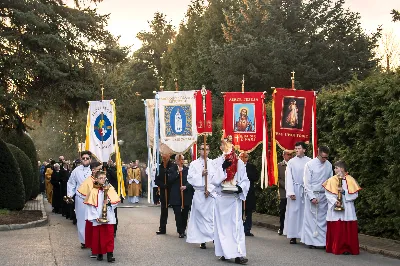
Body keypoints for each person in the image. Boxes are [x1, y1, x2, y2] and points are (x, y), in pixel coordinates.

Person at [212, 137, 250, 264]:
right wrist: (222, 168)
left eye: (229, 144)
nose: (227, 146)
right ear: (221, 147)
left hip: (233, 200)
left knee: (237, 227)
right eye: (224, 144)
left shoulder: (239, 162)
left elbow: (245, 179)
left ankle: (239, 254)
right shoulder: (216, 162)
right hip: (222, 199)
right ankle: (224, 252)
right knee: (222, 228)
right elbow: (213, 180)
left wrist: (240, 188)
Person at [323, 161, 361, 255]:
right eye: (334, 168)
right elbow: (328, 194)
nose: (335, 170)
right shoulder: (331, 180)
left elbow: (355, 195)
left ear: (342, 169)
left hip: (348, 207)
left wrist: (344, 192)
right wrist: (335, 201)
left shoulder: (351, 180)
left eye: (336, 168)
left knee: (347, 227)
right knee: (337, 226)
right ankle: (335, 247)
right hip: (335, 206)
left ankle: (348, 247)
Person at [85, 170, 120, 262]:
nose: (103, 180)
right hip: (98, 216)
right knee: (99, 236)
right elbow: (91, 205)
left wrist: (109, 203)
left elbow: (115, 200)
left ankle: (110, 254)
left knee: (109, 235)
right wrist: (95, 216)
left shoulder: (110, 188)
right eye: (101, 178)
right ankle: (99, 253)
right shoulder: (93, 190)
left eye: (104, 178)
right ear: (96, 179)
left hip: (109, 216)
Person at [301, 145, 333, 248]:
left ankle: (323, 242)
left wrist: (330, 195)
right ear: (318, 154)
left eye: (326, 157)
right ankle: (311, 242)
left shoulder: (329, 165)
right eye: (323, 157)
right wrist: (311, 197)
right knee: (311, 220)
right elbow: (307, 183)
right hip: (312, 193)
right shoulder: (309, 165)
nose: (325, 159)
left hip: (323, 195)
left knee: (322, 219)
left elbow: (330, 181)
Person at [186, 144, 216, 249]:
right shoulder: (194, 164)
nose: (205, 151)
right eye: (203, 149)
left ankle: (213, 238)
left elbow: (216, 178)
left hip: (210, 194)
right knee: (200, 218)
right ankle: (202, 240)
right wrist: (201, 175)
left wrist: (209, 189)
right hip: (199, 194)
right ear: (199, 151)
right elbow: (190, 178)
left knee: (211, 218)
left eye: (207, 149)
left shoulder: (213, 163)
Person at [284, 142, 311, 244]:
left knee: (305, 213)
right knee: (294, 212)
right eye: (295, 148)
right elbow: (289, 178)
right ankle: (293, 235)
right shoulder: (291, 162)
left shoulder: (309, 161)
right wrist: (290, 191)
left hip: (305, 189)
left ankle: (305, 235)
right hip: (295, 189)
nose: (297, 150)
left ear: (304, 150)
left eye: (299, 148)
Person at [67, 151, 92, 248]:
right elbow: (71, 183)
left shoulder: (94, 170)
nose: (85, 160)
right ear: (81, 159)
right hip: (80, 199)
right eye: (83, 158)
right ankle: (84, 241)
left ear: (90, 159)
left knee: (91, 219)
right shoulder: (76, 171)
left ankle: (92, 240)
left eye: (87, 158)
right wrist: (69, 195)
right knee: (81, 220)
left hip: (92, 199)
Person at [77, 161, 102, 258]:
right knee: (93, 229)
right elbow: (80, 193)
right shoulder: (88, 181)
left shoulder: (103, 179)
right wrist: (90, 199)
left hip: (101, 208)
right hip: (92, 208)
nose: (101, 171)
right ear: (93, 170)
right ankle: (94, 249)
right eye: (99, 169)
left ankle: (100, 248)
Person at [168, 154, 194, 238]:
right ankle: (180, 231)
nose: (181, 161)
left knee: (185, 214)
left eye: (182, 159)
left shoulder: (188, 169)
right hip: (176, 195)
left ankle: (183, 228)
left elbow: (191, 180)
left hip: (186, 194)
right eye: (179, 160)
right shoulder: (172, 169)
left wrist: (186, 186)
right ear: (176, 161)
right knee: (178, 214)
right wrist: (177, 173)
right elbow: (170, 180)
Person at [239, 152, 259, 237]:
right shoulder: (235, 166)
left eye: (246, 157)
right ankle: (238, 229)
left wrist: (246, 174)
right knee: (239, 211)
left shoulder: (251, 167)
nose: (244, 158)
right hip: (239, 192)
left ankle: (247, 229)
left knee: (249, 212)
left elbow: (255, 177)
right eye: (241, 157)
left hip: (249, 192)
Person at [155, 153, 173, 235]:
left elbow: (175, 177)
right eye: (162, 157)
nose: (163, 158)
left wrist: (168, 182)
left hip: (172, 191)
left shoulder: (173, 166)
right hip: (163, 191)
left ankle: (181, 230)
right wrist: (163, 185)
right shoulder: (159, 167)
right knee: (163, 210)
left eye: (165, 157)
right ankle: (162, 228)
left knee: (177, 211)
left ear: (169, 156)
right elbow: (156, 180)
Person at [277, 150, 292, 235]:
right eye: (288, 154)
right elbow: (278, 178)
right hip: (284, 191)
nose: (290, 156)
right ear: (284, 155)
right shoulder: (279, 166)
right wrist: (287, 186)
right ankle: (281, 228)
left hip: (293, 192)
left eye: (291, 154)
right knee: (283, 210)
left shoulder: (293, 164)